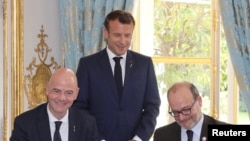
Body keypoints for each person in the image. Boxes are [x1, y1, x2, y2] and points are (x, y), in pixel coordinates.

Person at [74, 10, 161, 141]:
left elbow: (152, 107)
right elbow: (79, 108)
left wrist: (139, 138)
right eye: (117, 35)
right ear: (106, 33)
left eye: (127, 35)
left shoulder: (145, 64)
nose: (123, 41)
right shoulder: (88, 65)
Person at [10, 68, 99, 141]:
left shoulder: (87, 124)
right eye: (56, 91)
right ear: (47, 89)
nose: (62, 98)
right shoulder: (25, 124)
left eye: (68, 93)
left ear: (76, 93)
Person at [153, 81, 228, 141]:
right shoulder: (161, 135)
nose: (181, 118)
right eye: (175, 112)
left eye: (186, 110)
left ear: (199, 101)